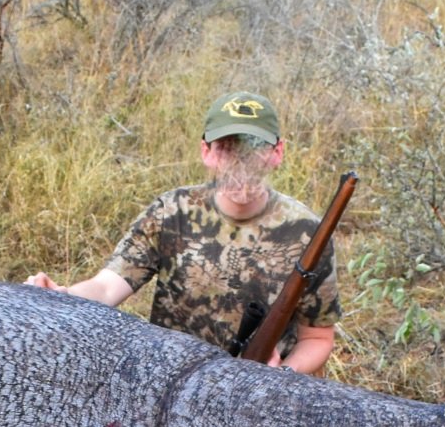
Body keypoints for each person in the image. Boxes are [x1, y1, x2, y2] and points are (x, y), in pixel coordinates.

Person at [25, 90, 339, 374]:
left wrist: (283, 374)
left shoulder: (308, 232)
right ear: (207, 152)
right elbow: (107, 288)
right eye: (228, 147)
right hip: (172, 383)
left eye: (254, 148)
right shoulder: (171, 211)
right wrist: (63, 297)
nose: (240, 162)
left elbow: (318, 337)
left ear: (277, 153)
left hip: (261, 391)